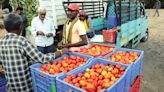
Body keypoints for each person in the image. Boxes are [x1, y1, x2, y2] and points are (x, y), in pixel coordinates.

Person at [0, 13, 68, 92]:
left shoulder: (1, 42)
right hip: (25, 87)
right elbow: (43, 58)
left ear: (6, 28)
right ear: (20, 27)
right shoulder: (21, 41)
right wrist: (61, 52)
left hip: (11, 87)